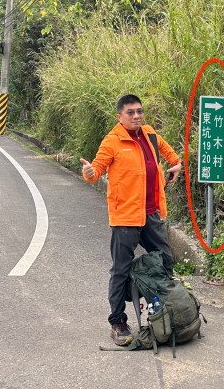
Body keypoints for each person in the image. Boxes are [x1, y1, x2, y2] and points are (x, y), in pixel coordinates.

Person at [80, 93, 182, 346]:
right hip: (125, 217)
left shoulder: (150, 134)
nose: (136, 116)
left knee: (165, 262)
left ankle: (164, 313)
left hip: (151, 213)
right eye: (131, 113)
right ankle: (118, 322)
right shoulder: (112, 141)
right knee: (121, 270)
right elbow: (96, 170)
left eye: (139, 111)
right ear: (120, 116)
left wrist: (176, 165)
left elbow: (172, 155)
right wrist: (89, 172)